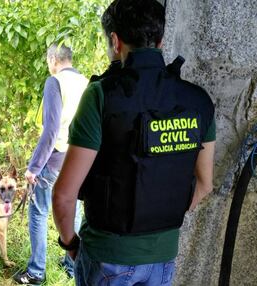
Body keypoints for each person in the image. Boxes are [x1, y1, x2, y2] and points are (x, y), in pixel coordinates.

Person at [52, 1, 216, 285]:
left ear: (115, 41)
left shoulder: (101, 96)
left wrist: (70, 244)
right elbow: (205, 185)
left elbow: (64, 195)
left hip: (108, 256)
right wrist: (159, 213)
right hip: (163, 258)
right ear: (160, 41)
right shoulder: (197, 100)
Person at [14, 43, 88, 285]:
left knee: (38, 212)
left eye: (49, 61)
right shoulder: (87, 83)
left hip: (54, 159)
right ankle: (71, 264)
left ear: (55, 59)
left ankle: (36, 272)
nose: (49, 66)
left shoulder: (54, 82)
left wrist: (33, 168)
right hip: (78, 160)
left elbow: (51, 130)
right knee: (74, 209)